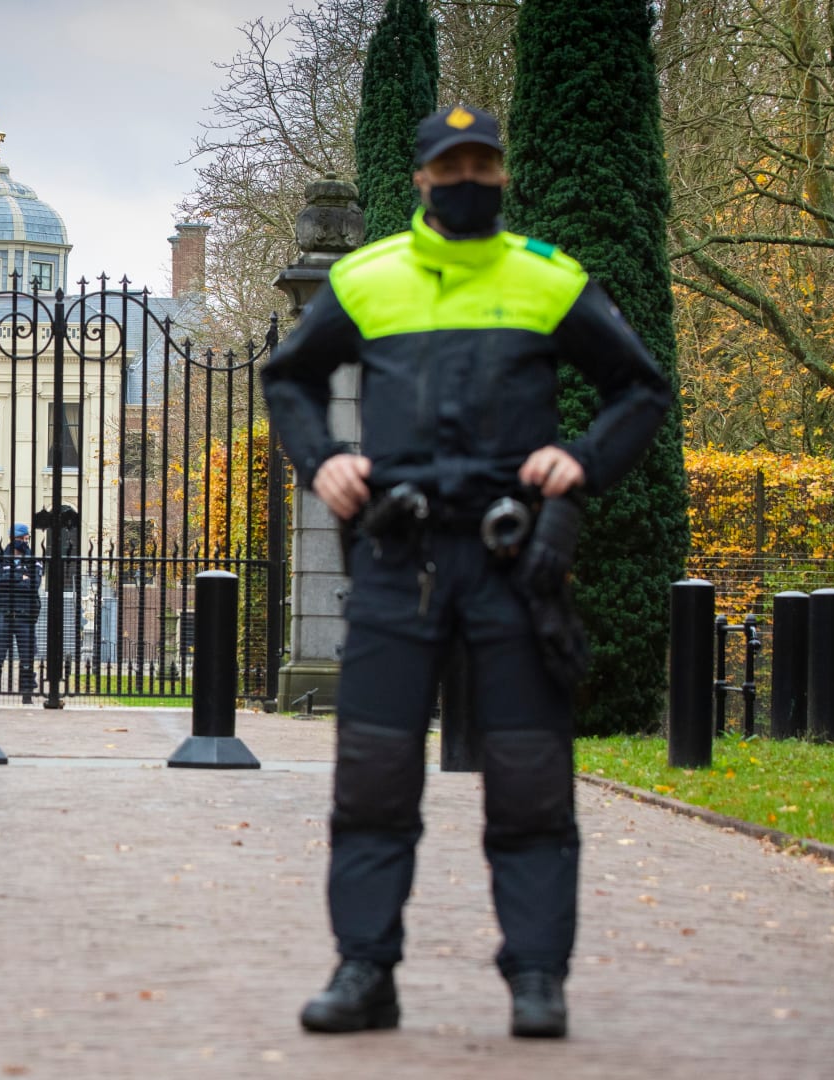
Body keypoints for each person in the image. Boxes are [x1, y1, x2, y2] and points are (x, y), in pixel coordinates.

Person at [262, 104, 671, 1040]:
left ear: (502, 173)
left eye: (484, 163)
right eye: (453, 167)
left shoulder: (546, 278)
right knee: (373, 777)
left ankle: (536, 978)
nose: (469, 179)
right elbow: (287, 377)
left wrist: (585, 459)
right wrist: (322, 455)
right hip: (396, 557)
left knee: (529, 778)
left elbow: (639, 388)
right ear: (421, 179)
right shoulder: (368, 279)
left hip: (509, 557)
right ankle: (366, 971)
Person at [0, 523, 41, 704]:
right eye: (21, 539)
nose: (24, 542)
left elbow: (34, 584)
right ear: (13, 539)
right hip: (3, 613)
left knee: (27, 657)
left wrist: (10, 581)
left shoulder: (33, 559)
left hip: (25, 615)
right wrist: (20, 578)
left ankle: (27, 695)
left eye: (26, 539)